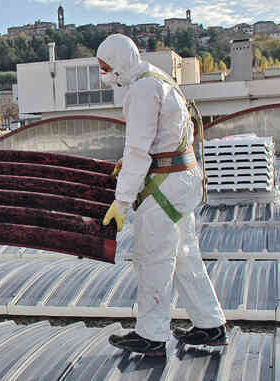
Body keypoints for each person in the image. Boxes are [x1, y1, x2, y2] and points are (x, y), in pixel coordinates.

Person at [98, 34, 227, 356]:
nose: (105, 74)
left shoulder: (142, 89)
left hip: (167, 184)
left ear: (121, 62)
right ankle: (211, 325)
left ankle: (151, 335)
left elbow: (139, 149)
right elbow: (163, 139)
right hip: (183, 179)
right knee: (184, 256)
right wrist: (130, 166)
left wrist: (122, 201)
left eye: (106, 67)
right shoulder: (160, 78)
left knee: (153, 258)